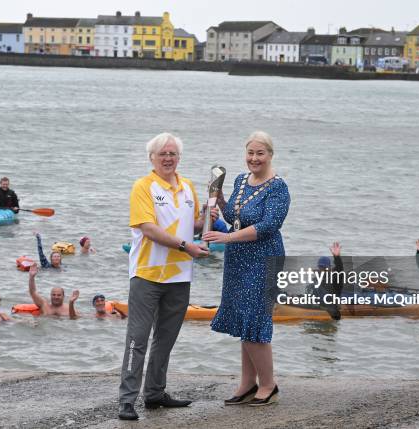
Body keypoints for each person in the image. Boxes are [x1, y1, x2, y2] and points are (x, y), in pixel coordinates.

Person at [117, 132, 214, 421]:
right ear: (152, 158)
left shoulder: (187, 188)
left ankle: (155, 394)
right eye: (163, 154)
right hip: (147, 274)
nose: (168, 158)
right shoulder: (143, 187)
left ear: (179, 157)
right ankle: (126, 400)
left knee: (166, 338)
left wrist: (208, 216)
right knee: (138, 339)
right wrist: (186, 246)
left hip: (179, 276)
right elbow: (148, 228)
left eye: (172, 153)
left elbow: (194, 225)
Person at [203, 131, 290, 407]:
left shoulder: (279, 187)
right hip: (238, 259)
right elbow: (235, 217)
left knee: (255, 319)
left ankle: (268, 384)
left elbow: (267, 226)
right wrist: (219, 202)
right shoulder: (241, 180)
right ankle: (246, 383)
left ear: (270, 155)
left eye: (260, 153)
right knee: (243, 320)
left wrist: (226, 237)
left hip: (264, 258)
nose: (254, 158)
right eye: (250, 153)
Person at [306, 242, 343, 320]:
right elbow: (310, 294)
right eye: (320, 267)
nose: (322, 269)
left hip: (330, 308)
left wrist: (337, 257)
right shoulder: (316, 280)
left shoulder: (334, 278)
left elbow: (339, 269)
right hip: (317, 305)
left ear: (329, 267)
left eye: (324, 267)